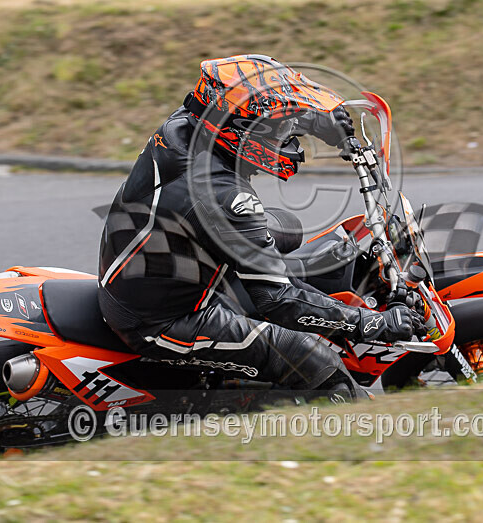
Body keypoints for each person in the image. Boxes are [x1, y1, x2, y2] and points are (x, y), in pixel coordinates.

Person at [98, 55, 426, 400]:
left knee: (288, 230)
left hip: (162, 265)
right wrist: (371, 323)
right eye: (280, 128)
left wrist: (315, 120)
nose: (289, 139)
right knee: (313, 360)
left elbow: (243, 112)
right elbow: (278, 301)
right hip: (161, 320)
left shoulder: (188, 124)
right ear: (242, 130)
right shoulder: (223, 196)